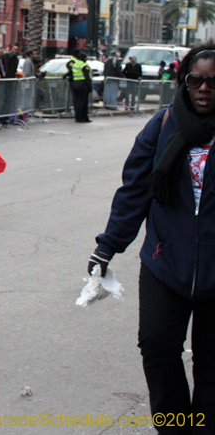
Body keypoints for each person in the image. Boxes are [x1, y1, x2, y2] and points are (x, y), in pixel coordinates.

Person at [90, 44, 215, 429]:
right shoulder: (162, 125)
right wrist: (107, 245)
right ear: (184, 81)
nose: (204, 89)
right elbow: (134, 191)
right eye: (196, 80)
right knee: (157, 347)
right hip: (164, 262)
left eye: (213, 82)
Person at [66, 51, 92, 123]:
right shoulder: (84, 65)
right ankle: (82, 117)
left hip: (74, 84)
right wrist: (90, 87)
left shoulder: (75, 64)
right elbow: (87, 77)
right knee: (82, 102)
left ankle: (78, 117)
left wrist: (64, 76)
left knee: (76, 101)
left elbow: (69, 72)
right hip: (82, 84)